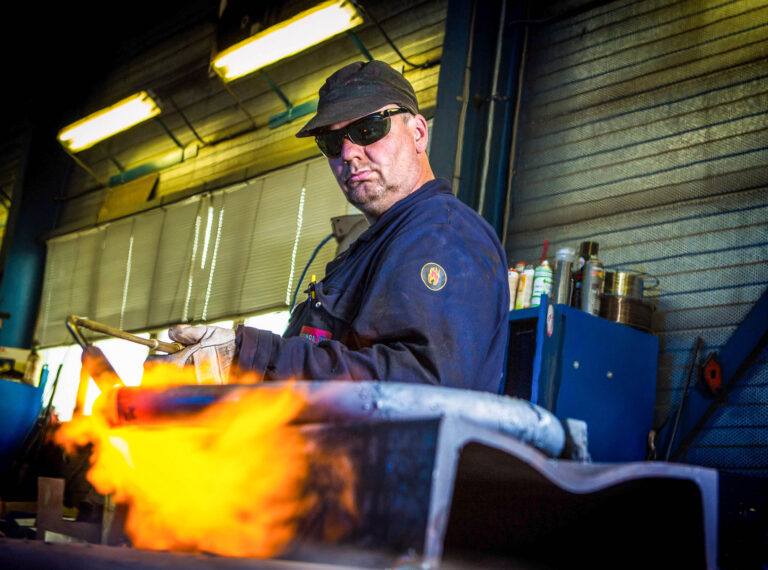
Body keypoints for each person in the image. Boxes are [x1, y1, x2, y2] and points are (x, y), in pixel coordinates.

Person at [168, 60, 509, 393]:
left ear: (419, 133)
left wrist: (252, 355)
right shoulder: (371, 250)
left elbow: (420, 384)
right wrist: (236, 369)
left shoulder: (443, 235)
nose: (347, 152)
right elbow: (323, 369)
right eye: (331, 143)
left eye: (366, 130)